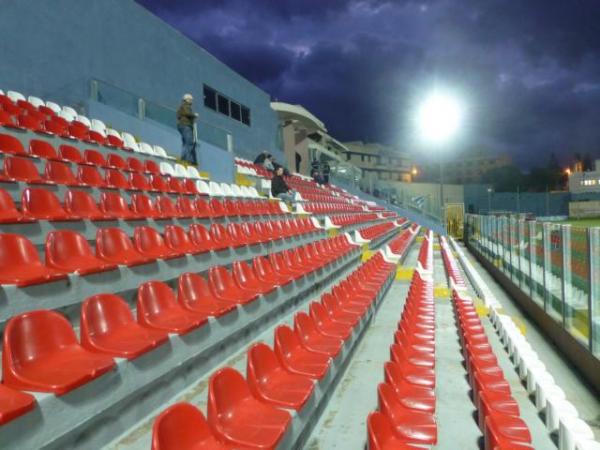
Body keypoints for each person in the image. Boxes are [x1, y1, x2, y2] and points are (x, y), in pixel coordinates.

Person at [177, 93, 198, 165]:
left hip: (182, 125)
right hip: (186, 125)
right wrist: (194, 115)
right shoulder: (185, 106)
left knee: (185, 143)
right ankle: (187, 159)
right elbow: (187, 113)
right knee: (189, 143)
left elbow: (178, 116)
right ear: (187, 100)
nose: (192, 101)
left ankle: (185, 158)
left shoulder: (182, 107)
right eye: (191, 99)